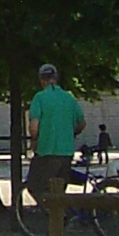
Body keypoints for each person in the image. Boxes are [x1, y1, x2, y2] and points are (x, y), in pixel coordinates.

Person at [26, 62, 86, 206]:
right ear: (56, 78)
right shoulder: (69, 98)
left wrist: (34, 142)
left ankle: (53, 215)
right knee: (60, 189)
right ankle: (63, 218)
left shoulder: (39, 98)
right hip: (67, 151)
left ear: (41, 80)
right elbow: (82, 123)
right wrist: (71, 133)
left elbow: (34, 128)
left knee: (34, 186)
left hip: (46, 151)